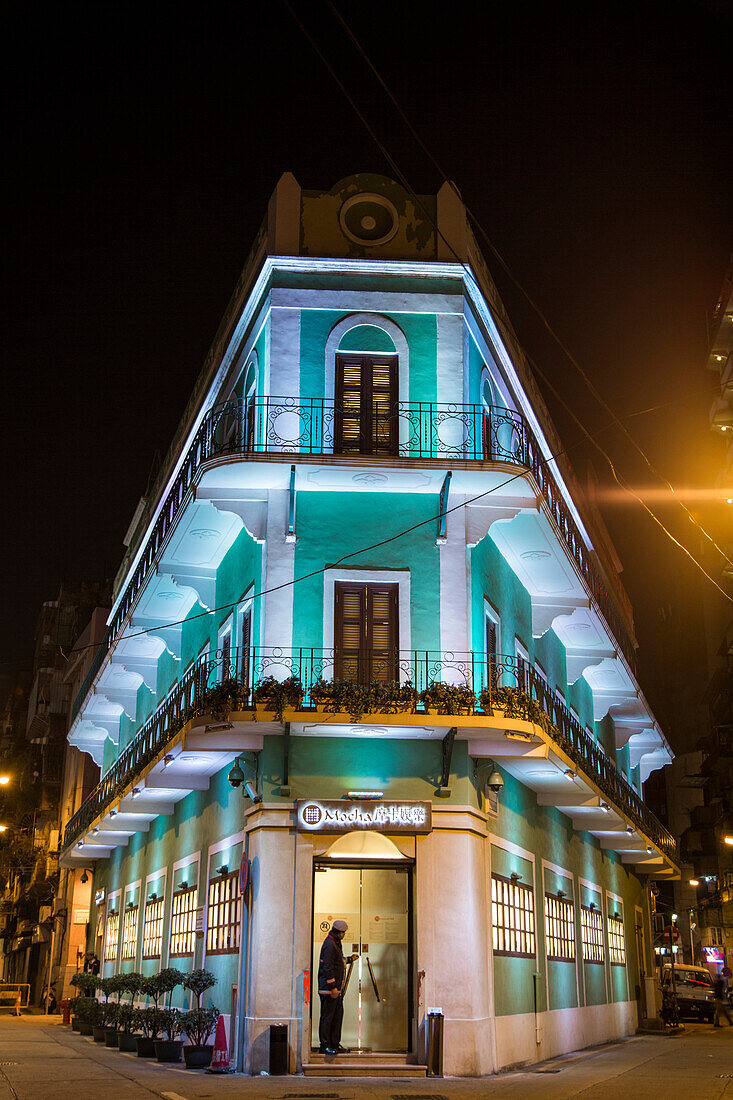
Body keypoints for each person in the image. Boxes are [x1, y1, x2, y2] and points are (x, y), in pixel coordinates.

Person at [317, 919, 358, 1055]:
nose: (344, 935)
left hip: (336, 990)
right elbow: (327, 966)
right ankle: (325, 1045)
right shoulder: (330, 944)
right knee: (328, 1017)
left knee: (337, 1016)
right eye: (343, 933)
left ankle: (334, 1043)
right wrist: (333, 987)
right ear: (338, 932)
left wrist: (350, 959)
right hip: (329, 990)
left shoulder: (335, 943)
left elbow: (337, 962)